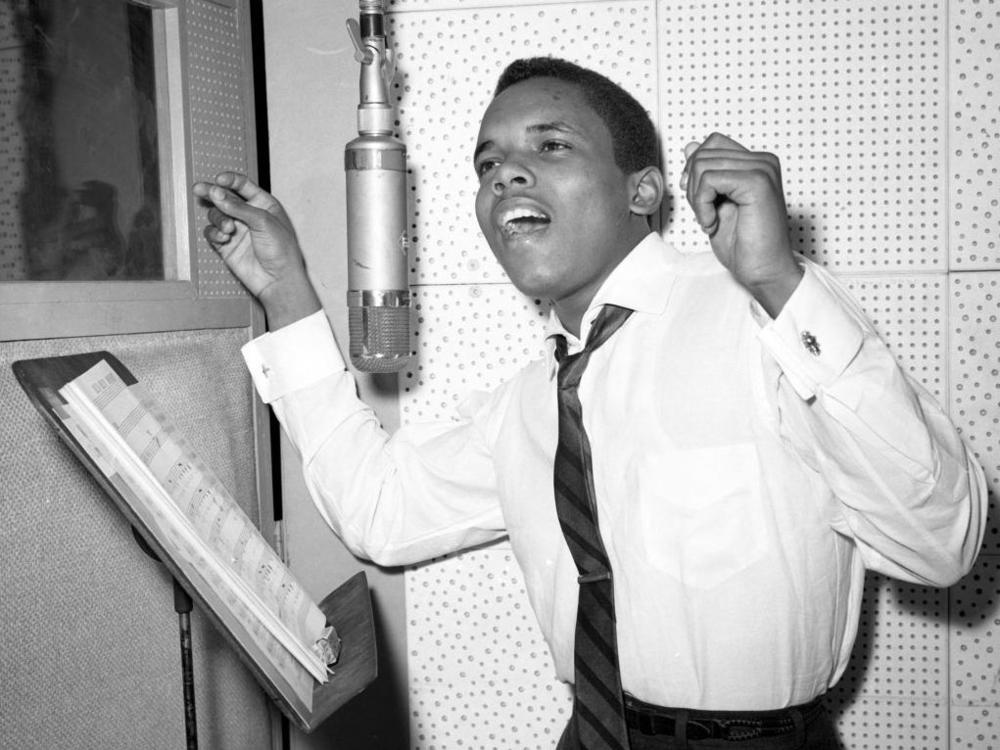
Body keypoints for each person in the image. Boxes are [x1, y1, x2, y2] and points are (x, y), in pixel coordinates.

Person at [194, 57, 986, 750]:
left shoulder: (763, 314)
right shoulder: (532, 402)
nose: (503, 175)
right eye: (488, 163)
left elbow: (941, 542)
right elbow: (379, 511)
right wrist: (284, 290)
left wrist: (780, 284)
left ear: (642, 189)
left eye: (551, 145)